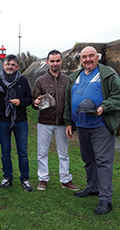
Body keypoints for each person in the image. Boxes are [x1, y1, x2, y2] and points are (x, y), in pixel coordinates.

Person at [64, 46, 120, 214]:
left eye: (91, 56)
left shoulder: (107, 74)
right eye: (84, 57)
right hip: (82, 126)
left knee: (103, 162)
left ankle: (105, 199)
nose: (88, 59)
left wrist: (104, 107)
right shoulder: (75, 77)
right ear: (80, 59)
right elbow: (68, 100)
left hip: (101, 126)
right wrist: (69, 122)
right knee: (88, 159)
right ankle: (92, 187)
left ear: (97, 57)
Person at [32, 49, 79, 191]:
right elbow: (34, 99)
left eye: (57, 60)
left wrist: (70, 122)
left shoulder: (68, 80)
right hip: (44, 121)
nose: (55, 63)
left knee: (63, 153)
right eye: (52, 61)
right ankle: (43, 178)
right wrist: (35, 102)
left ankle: (65, 179)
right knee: (42, 152)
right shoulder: (40, 80)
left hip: (62, 123)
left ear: (61, 62)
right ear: (47, 62)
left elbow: (72, 101)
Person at [0, 54, 33, 192]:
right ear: (3, 65)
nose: (10, 66)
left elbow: (29, 99)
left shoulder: (23, 80)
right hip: (3, 120)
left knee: (22, 152)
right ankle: (7, 178)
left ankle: (25, 179)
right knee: (5, 152)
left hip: (20, 121)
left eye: (13, 64)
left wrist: (20, 102)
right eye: (8, 64)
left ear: (17, 67)